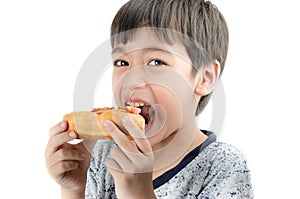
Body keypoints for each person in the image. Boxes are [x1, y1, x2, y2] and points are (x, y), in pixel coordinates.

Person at [45, 0, 254, 198]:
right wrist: (74, 189)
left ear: (204, 78)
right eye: (121, 62)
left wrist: (138, 194)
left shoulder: (223, 166)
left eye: (156, 62)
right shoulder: (102, 155)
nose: (131, 79)